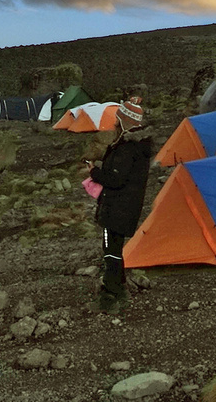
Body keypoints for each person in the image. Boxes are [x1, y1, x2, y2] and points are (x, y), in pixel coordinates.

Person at [85, 100, 152, 313]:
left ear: (126, 121)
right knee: (114, 246)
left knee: (111, 248)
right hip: (127, 206)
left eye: (119, 119)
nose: (115, 123)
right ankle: (120, 285)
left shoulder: (126, 148)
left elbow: (115, 179)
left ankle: (111, 293)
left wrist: (94, 172)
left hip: (117, 207)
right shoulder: (137, 146)